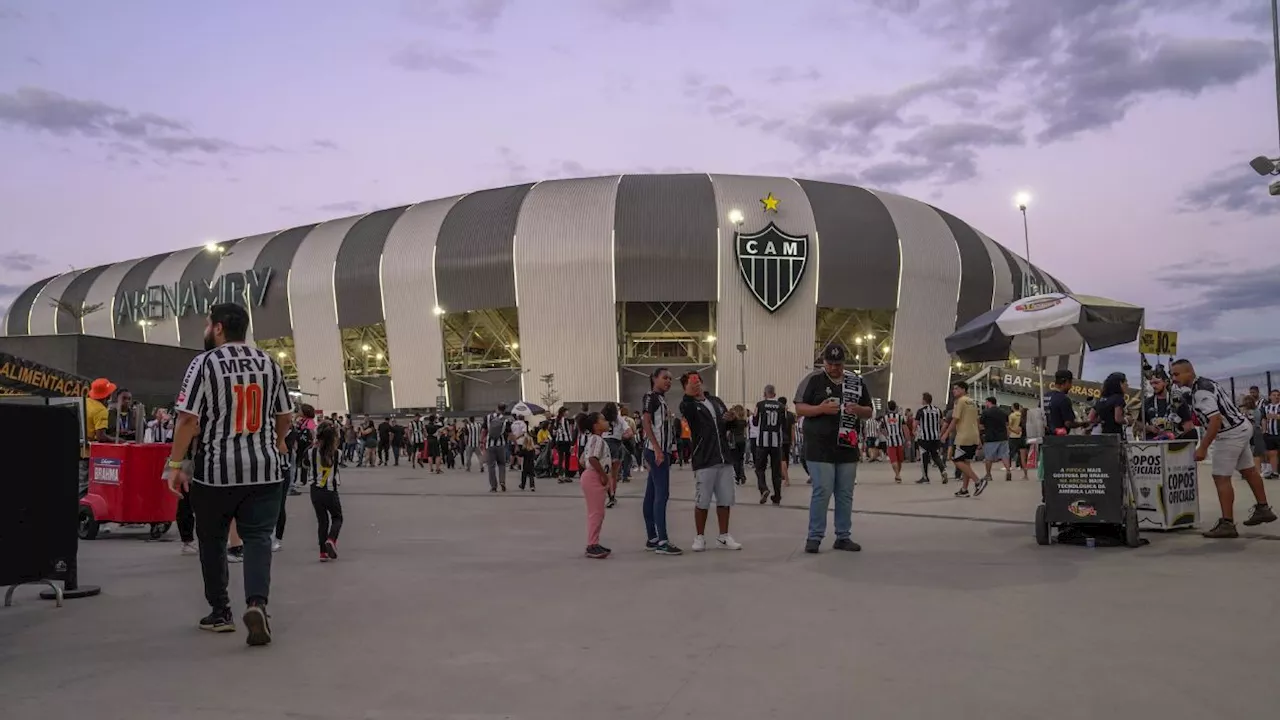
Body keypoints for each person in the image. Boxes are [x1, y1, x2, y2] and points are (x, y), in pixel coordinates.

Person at [163, 302, 292, 647]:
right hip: (265, 470)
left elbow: (188, 419)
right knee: (258, 539)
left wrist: (175, 466)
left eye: (208, 324)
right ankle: (257, 604)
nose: (206, 330)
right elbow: (285, 414)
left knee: (213, 540)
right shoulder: (269, 363)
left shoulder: (203, 364)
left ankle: (220, 612)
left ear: (218, 328)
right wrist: (278, 442)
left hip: (215, 473)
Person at [1169, 359, 1276, 538]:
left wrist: (1203, 447)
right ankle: (1263, 508)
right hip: (1241, 426)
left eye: (1177, 374)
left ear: (1189, 372)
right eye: (1172, 374)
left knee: (1221, 477)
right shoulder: (1206, 383)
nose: (1174, 378)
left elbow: (1215, 420)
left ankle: (1227, 523)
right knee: (1249, 470)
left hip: (1228, 433)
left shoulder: (1201, 391)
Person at [796, 343, 873, 553]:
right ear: (824, 362)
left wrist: (857, 409)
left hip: (847, 446)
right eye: (830, 364)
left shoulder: (855, 381)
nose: (834, 368)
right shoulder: (813, 380)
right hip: (819, 447)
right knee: (822, 491)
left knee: (845, 493)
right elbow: (799, 407)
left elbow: (869, 411)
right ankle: (814, 536)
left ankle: (843, 536)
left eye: (838, 364)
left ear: (844, 363)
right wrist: (820, 408)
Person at [678, 371, 741, 552]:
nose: (696, 385)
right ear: (686, 387)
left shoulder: (716, 401)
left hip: (724, 457)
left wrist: (732, 420)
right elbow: (687, 409)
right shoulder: (688, 405)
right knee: (702, 500)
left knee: (725, 499)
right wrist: (688, 395)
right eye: (691, 383)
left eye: (698, 382)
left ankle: (723, 536)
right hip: (704, 459)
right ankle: (700, 537)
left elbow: (728, 426)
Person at [641, 368, 682, 555]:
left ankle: (652, 537)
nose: (668, 381)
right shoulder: (652, 397)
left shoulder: (661, 399)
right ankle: (663, 541)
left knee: (652, 493)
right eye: (665, 378)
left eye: (670, 379)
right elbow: (647, 422)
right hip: (656, 451)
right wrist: (657, 449)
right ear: (654, 378)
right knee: (661, 495)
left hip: (660, 450)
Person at [577, 411, 612, 559]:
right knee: (596, 513)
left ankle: (594, 542)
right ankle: (592, 545)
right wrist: (602, 475)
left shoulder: (592, 439)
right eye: (603, 420)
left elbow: (582, 461)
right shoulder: (597, 440)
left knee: (597, 512)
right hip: (594, 478)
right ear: (596, 425)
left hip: (590, 476)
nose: (607, 422)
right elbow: (592, 458)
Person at [941, 381, 984, 498]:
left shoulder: (960, 402)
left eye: (957, 389)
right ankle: (964, 489)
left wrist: (945, 434)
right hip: (973, 435)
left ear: (964, 390)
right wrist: (979, 438)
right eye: (954, 389)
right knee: (966, 463)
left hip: (963, 436)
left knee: (955, 459)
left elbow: (955, 420)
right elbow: (976, 421)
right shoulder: (973, 402)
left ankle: (978, 481)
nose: (954, 391)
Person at [310, 420, 343, 561]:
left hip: (315, 491)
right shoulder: (338, 453)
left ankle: (322, 552)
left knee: (322, 521)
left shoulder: (310, 452)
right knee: (337, 517)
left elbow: (305, 465)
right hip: (330, 490)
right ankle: (331, 539)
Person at [1139, 369, 1195, 440]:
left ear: (1166, 382)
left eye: (1156, 383)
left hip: (1174, 443)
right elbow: (1138, 423)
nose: (1153, 386)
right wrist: (1148, 428)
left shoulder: (1178, 401)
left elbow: (1188, 425)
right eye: (1151, 383)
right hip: (1153, 443)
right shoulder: (1147, 402)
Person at [754, 385, 785, 505]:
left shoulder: (760, 405)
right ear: (775, 394)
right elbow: (784, 422)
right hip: (776, 441)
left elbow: (755, 422)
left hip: (763, 441)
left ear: (764, 393)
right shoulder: (781, 406)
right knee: (776, 470)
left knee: (760, 468)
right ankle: (777, 496)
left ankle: (763, 488)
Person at [913, 392, 946, 484]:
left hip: (924, 438)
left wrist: (914, 432)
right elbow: (942, 424)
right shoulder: (938, 410)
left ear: (924, 400)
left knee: (924, 457)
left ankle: (925, 477)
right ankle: (943, 470)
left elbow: (915, 424)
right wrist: (939, 433)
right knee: (935, 455)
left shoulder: (921, 411)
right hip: (935, 437)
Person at [979, 397, 1011, 483]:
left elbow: (981, 425)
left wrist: (982, 434)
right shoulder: (1003, 412)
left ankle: (988, 475)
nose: (985, 404)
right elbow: (1007, 425)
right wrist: (1007, 434)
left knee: (988, 457)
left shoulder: (986, 412)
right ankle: (1008, 471)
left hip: (991, 437)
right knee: (1004, 455)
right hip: (1003, 437)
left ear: (989, 402)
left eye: (986, 402)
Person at [1044, 369, 1086, 435]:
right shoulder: (1064, 399)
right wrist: (1083, 424)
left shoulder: (1044, 396)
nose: (1071, 386)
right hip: (1058, 439)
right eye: (1070, 383)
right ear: (1065, 382)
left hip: (1045, 438)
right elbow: (1068, 424)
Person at [484, 403, 512, 492]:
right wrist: (514, 443)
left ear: (497, 408)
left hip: (490, 445)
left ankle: (493, 486)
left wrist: (481, 442)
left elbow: (484, 430)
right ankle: (502, 481)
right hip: (501, 445)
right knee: (502, 464)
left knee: (491, 466)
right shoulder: (506, 420)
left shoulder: (488, 417)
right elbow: (510, 434)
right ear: (504, 409)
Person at [879, 400, 908, 483]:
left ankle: (897, 474)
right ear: (895, 407)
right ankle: (898, 475)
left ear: (887, 408)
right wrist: (907, 440)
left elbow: (880, 428)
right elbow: (905, 429)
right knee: (899, 460)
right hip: (900, 441)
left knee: (893, 460)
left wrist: (886, 435)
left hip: (890, 442)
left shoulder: (884, 418)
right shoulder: (900, 417)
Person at [726, 404, 749, 485]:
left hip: (734, 441)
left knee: (735, 460)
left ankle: (737, 476)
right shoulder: (744, 421)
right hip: (742, 440)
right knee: (741, 459)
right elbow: (745, 432)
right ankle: (742, 475)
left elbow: (728, 431)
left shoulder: (733, 421)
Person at [1007, 403, 1028, 479]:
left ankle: (1008, 468)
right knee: (1023, 458)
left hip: (1016, 437)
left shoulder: (1013, 416)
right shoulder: (1028, 421)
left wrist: (1010, 429)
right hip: (1025, 439)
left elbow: (1018, 431)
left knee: (1009, 453)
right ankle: (1026, 475)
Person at [552, 407, 574, 482]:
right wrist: (572, 442)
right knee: (567, 458)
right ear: (564, 412)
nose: (568, 413)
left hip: (559, 441)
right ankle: (566, 476)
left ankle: (560, 476)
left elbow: (554, 432)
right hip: (566, 441)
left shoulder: (556, 420)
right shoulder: (565, 420)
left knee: (560, 459)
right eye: (567, 411)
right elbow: (568, 432)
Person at [1262, 390, 1280, 479]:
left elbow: (1274, 416)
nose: (1276, 397)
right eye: (1274, 395)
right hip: (1270, 434)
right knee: (1272, 453)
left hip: (1279, 433)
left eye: (1278, 395)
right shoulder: (1266, 407)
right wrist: (1264, 431)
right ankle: (1275, 472)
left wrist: (1274, 416)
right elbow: (1264, 419)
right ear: (1270, 396)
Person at [779, 397, 796, 487]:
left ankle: (786, 478)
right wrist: (793, 440)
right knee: (786, 458)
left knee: (782, 459)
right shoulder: (791, 415)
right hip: (788, 439)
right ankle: (784, 475)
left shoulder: (778, 414)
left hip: (779, 439)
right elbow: (793, 429)